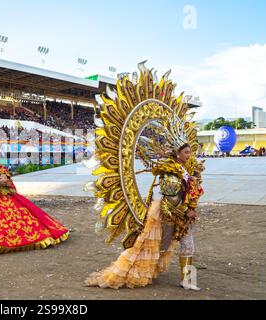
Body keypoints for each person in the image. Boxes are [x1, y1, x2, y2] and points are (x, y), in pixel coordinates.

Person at [84, 65, 205, 291]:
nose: (190, 155)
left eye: (190, 152)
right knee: (157, 246)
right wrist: (186, 211)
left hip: (181, 213)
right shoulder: (171, 171)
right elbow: (170, 200)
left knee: (186, 245)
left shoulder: (186, 169)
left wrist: (192, 200)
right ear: (177, 153)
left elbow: (189, 190)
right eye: (186, 152)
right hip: (167, 214)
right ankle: (139, 272)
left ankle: (187, 280)